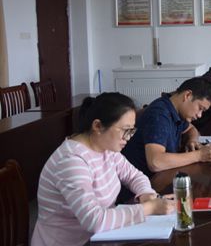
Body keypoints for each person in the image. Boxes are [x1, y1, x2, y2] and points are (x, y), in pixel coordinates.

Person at [31, 93, 175, 246]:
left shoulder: (106, 148)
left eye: (132, 131)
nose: (128, 137)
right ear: (98, 126)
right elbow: (95, 220)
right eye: (125, 130)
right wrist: (149, 208)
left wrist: (146, 194)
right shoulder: (71, 161)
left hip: (102, 236)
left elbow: (134, 176)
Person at [122, 77, 211, 179]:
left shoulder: (177, 110)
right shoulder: (159, 114)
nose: (199, 115)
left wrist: (192, 140)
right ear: (187, 95)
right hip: (143, 182)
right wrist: (199, 155)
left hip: (161, 177)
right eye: (200, 108)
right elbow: (155, 162)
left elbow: (192, 129)